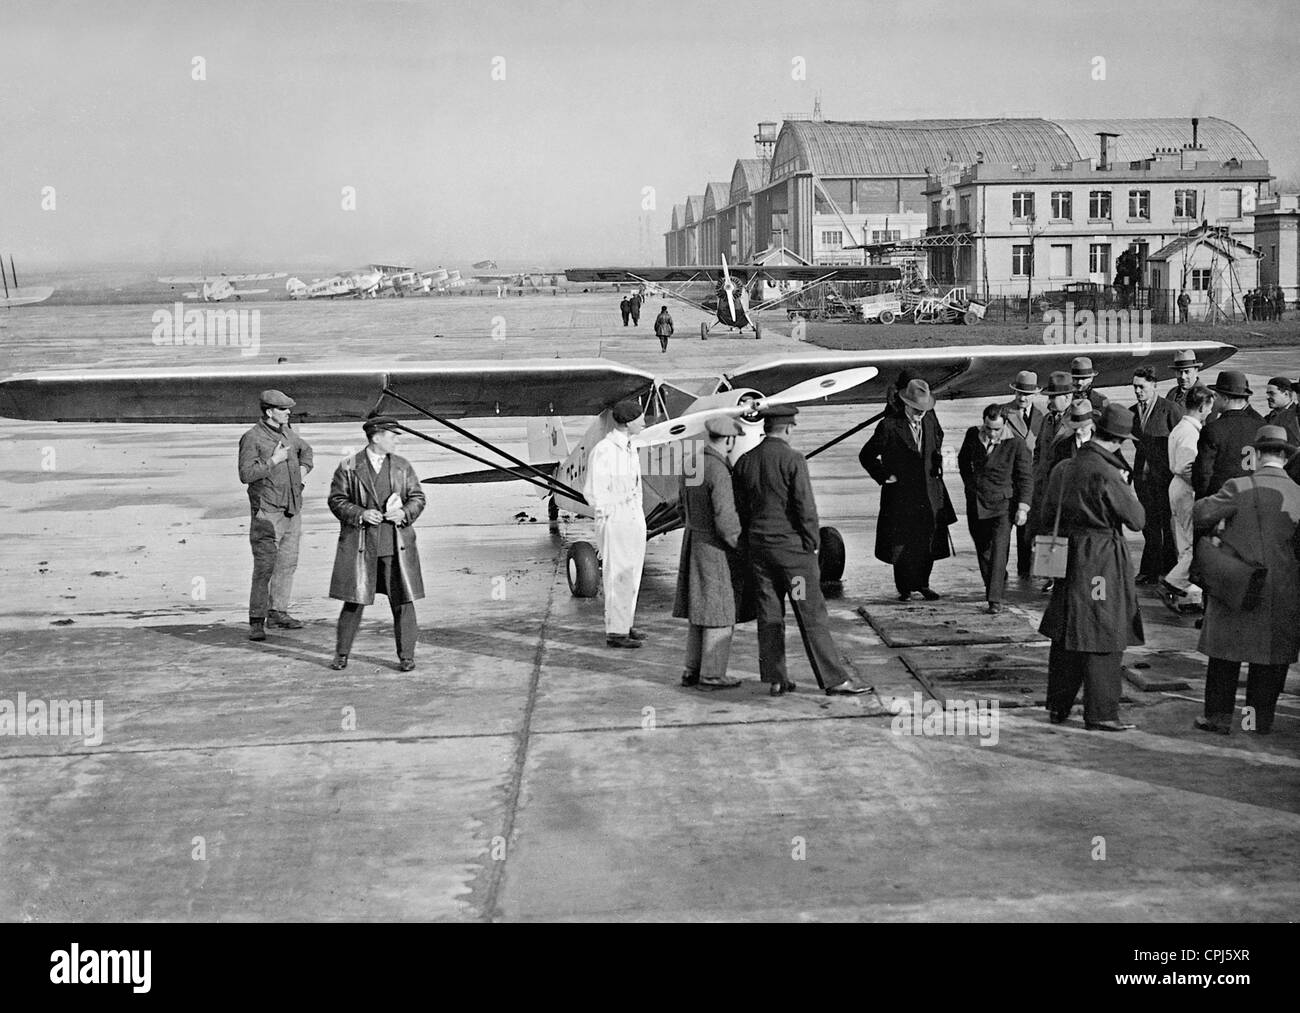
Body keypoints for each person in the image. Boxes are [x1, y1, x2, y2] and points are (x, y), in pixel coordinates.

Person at [733, 405, 877, 698]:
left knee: (770, 613)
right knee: (811, 614)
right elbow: (805, 508)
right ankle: (834, 680)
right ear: (786, 428)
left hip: (760, 553)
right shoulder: (793, 459)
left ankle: (776, 678)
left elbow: (741, 509)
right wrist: (811, 545)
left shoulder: (745, 461)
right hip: (793, 558)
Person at [1039, 404, 1146, 732]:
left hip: (1069, 555)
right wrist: (1126, 486)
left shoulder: (1064, 467)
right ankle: (1101, 712)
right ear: (1117, 441)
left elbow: (1046, 514)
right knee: (1104, 629)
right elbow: (1137, 520)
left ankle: (1058, 706)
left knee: (1067, 628)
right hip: (1100, 558)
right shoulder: (1107, 472)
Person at [1192, 425, 1300, 735]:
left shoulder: (1237, 486)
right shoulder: (1297, 493)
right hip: (1282, 589)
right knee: (1267, 662)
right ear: (1284, 455)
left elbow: (1200, 514)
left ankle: (1218, 718)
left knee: (1226, 655)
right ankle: (1255, 721)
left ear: (1256, 453)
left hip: (1237, 582)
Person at [327, 417, 427, 671]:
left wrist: (404, 513)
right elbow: (336, 500)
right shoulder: (349, 466)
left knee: (403, 602)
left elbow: (417, 497)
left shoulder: (402, 467)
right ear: (376, 437)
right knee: (354, 600)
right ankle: (341, 654)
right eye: (392, 435)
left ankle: (407, 656)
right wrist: (360, 513)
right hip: (362, 547)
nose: (396, 439)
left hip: (396, 547)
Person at [859, 378, 957, 601]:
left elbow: (938, 437)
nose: (920, 414)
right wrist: (884, 476)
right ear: (905, 404)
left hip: (929, 493)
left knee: (928, 540)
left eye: (923, 409)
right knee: (902, 543)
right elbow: (866, 455)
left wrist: (936, 459)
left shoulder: (930, 419)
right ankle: (904, 587)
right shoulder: (889, 426)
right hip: (901, 496)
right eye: (916, 409)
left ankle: (923, 583)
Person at [673, 417, 749, 689]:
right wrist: (741, 547)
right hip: (715, 547)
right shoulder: (718, 469)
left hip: (693, 540)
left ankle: (691, 670)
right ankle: (713, 674)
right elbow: (725, 519)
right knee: (720, 610)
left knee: (699, 609)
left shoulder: (692, 462)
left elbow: (681, 506)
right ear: (728, 440)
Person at [238, 389, 314, 642]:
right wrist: (274, 460)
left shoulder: (289, 434)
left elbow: (308, 452)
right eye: (283, 409)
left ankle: (278, 612)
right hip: (267, 513)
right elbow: (246, 475)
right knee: (265, 568)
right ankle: (256, 621)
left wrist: (301, 475)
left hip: (292, 510)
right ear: (269, 412)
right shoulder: (252, 438)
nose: (289, 412)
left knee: (287, 565)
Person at [585, 399, 648, 648]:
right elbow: (594, 492)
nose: (644, 422)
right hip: (616, 519)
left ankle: (625, 623)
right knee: (618, 575)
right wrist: (611, 515)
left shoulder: (630, 447)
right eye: (640, 418)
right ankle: (616, 632)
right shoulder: (605, 450)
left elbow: (636, 487)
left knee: (632, 574)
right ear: (629, 422)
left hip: (632, 517)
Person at [957, 404, 1032, 613]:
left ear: (1005, 425)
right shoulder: (973, 435)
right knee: (984, 551)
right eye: (988, 428)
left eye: (996, 429)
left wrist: (1023, 507)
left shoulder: (1016, 444)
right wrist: (970, 485)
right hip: (977, 503)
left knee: (999, 550)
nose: (991, 433)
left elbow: (1025, 478)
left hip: (1003, 506)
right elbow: (963, 461)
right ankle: (993, 585)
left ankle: (994, 599)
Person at [1162, 384, 1214, 614]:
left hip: (1178, 488)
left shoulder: (1182, 427)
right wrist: (1202, 488)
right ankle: (1175, 580)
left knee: (1184, 541)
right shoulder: (1190, 432)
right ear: (1202, 407)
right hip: (1186, 489)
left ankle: (1190, 593)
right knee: (1193, 541)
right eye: (1209, 407)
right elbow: (1186, 466)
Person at [1130, 366, 1184, 584]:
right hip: (1143, 479)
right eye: (1134, 387)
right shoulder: (1133, 412)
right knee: (1149, 525)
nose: (1137, 391)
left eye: (1141, 387)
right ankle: (1150, 570)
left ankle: (1168, 569)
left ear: (1154, 386)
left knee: (1167, 526)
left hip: (1165, 478)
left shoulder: (1169, 409)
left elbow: (1180, 440)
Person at [1193, 371, 1264, 500]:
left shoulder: (1213, 430)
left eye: (1216, 396)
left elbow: (1203, 474)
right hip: (1253, 497)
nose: (1214, 400)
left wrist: (1203, 501)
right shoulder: (1260, 426)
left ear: (1225, 399)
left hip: (1222, 500)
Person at [1001, 370, 1044, 578]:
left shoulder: (1042, 416)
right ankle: (1000, 570)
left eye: (1026, 394)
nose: (1023, 398)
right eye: (1019, 393)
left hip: (1030, 481)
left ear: (1035, 394)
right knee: (1003, 532)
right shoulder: (1002, 414)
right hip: (1008, 481)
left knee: (1026, 532)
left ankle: (1024, 572)